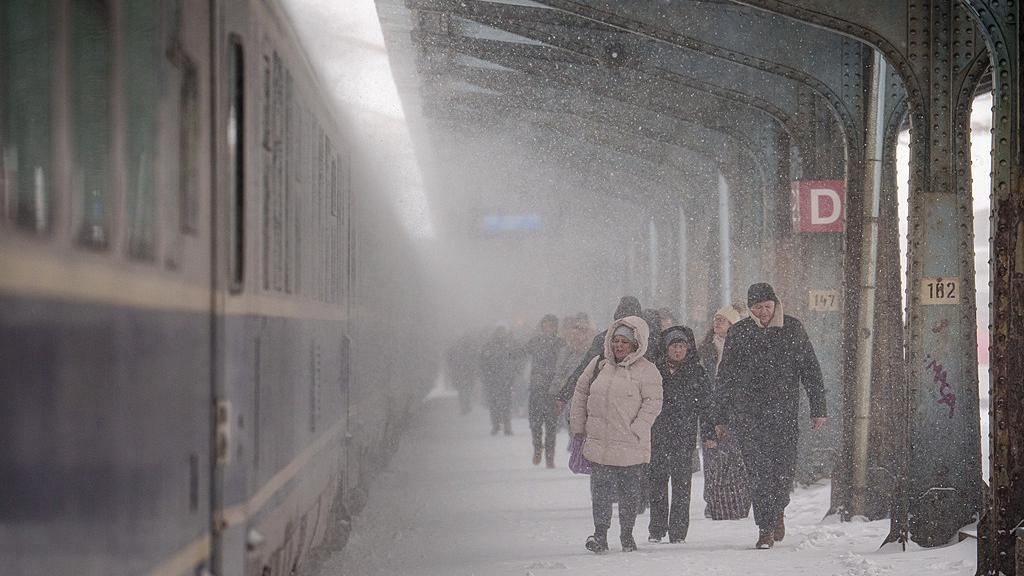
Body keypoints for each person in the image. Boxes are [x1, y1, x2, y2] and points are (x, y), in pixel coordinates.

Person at [713, 283, 827, 549]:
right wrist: (720, 416)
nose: (763, 312)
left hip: (784, 412)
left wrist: (818, 407)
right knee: (757, 471)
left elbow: (810, 369)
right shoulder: (740, 333)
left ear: (775, 304)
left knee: (782, 470)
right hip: (748, 415)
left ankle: (778, 510)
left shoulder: (792, 328)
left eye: (767, 306)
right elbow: (726, 376)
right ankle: (764, 527)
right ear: (750, 309)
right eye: (757, 308)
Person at [570, 316, 663, 553]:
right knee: (600, 492)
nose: (619, 346)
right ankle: (600, 534)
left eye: (624, 342)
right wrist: (579, 428)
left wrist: (639, 428)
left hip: (630, 443)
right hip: (601, 442)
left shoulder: (647, 370)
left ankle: (627, 535)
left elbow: (654, 403)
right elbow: (581, 394)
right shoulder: (598, 364)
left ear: (636, 344)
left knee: (629, 494)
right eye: (616, 340)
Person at [648, 325, 714, 543]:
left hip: (684, 437)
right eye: (674, 346)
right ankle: (656, 529)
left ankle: (678, 532)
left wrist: (708, 433)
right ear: (666, 348)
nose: (678, 350)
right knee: (657, 482)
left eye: (682, 346)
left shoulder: (696, 372)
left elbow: (706, 406)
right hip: (657, 435)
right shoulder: (654, 370)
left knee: (682, 484)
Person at [697, 304, 752, 520]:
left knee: (735, 458)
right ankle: (713, 500)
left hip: (735, 410)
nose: (717, 323)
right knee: (712, 456)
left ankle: (736, 499)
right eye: (716, 319)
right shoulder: (705, 350)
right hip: (710, 407)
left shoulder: (741, 348)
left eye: (723, 320)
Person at [554, 296, 642, 414]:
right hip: (629, 403)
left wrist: (564, 395)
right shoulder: (646, 341)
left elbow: (584, 369)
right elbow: (586, 369)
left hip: (610, 402)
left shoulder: (604, 339)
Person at [525, 315, 565, 467]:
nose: (548, 328)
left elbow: (565, 361)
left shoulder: (560, 343)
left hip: (553, 390)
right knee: (535, 423)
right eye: (546, 325)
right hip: (536, 388)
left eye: (551, 325)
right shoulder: (534, 341)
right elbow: (521, 352)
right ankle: (537, 448)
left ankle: (550, 454)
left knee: (551, 424)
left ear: (555, 327)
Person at [479, 326, 521, 436]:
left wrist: (513, 373)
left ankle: (506, 426)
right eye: (499, 332)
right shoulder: (489, 346)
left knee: (506, 404)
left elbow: (516, 360)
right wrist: (487, 376)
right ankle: (496, 425)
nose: (501, 335)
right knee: (494, 404)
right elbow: (483, 362)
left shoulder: (509, 345)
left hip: (505, 380)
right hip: (493, 380)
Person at [447, 333, 480, 415]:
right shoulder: (471, 349)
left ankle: (464, 406)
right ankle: (466, 405)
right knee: (467, 390)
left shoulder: (457, 349)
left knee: (462, 390)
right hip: (467, 372)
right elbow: (475, 360)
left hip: (461, 372)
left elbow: (450, 359)